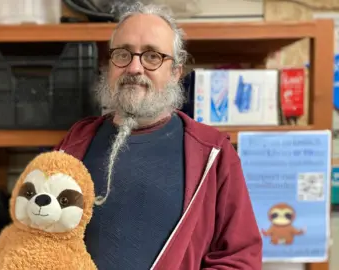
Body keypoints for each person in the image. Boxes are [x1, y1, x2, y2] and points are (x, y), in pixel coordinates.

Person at [53, 2, 262, 269]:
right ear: (110, 64)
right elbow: (34, 234)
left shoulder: (212, 154)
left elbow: (239, 258)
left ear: (175, 72)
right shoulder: (74, 144)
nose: (134, 68)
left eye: (152, 56)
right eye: (123, 54)